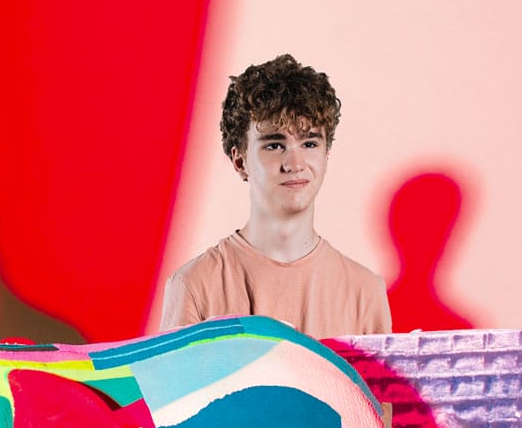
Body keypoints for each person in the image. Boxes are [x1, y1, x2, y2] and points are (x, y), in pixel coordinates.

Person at [159, 54, 392, 339]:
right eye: (274, 145)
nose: (295, 163)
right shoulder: (193, 286)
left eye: (309, 143)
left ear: (326, 154)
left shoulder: (365, 292)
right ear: (240, 160)